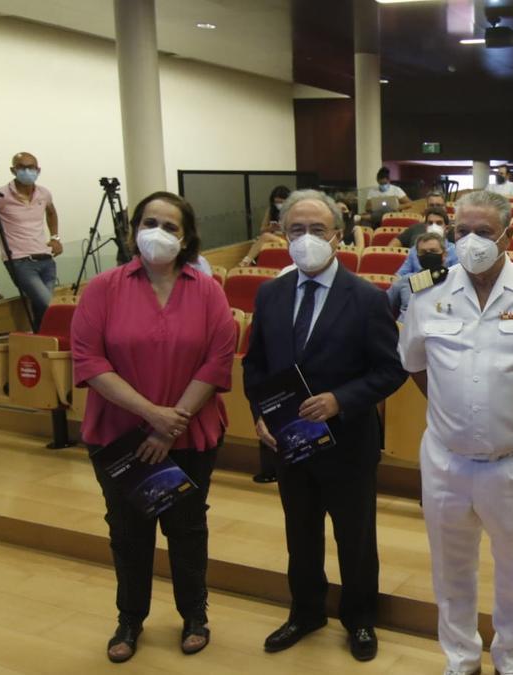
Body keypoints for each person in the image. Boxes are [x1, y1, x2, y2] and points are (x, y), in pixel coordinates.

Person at [399, 189, 513, 675]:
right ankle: (460, 659)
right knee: (450, 568)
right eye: (461, 232)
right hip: (445, 458)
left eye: (482, 232)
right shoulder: (427, 292)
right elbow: (415, 365)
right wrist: (454, 411)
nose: (470, 241)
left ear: (508, 236)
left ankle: (511, 661)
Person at [71, 191, 235, 663]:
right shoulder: (103, 288)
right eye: (149, 222)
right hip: (120, 436)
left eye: (170, 226)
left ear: (186, 239)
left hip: (190, 434)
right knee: (127, 531)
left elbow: (219, 358)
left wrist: (170, 425)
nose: (157, 233)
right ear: (133, 230)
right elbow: (88, 358)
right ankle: (129, 619)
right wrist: (152, 415)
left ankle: (195, 615)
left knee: (187, 529)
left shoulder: (207, 290)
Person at [243, 190, 406, 661]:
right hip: (289, 442)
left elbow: (389, 371)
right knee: (301, 532)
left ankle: (359, 618)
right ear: (283, 233)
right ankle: (306, 611)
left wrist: (341, 400)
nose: (306, 239)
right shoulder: (270, 293)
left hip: (348, 441)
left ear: (337, 235)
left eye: (317, 230)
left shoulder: (366, 298)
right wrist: (261, 413)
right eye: (297, 229)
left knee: (354, 537)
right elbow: (255, 365)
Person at [0, 151, 62, 332]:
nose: (27, 171)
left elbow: (51, 212)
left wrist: (55, 237)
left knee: (41, 309)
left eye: (31, 167)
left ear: (38, 169)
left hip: (46, 259)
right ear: (13, 170)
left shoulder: (44, 193)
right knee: (49, 306)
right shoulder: (0, 196)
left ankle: (42, 348)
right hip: (19, 261)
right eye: (22, 167)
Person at [388, 232, 447, 321]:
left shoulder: (455, 280)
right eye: (423, 252)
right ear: (418, 257)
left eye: (433, 251)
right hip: (406, 330)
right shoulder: (406, 281)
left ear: (444, 255)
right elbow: (382, 307)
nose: (428, 255)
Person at [395, 208, 458, 276]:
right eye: (430, 223)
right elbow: (400, 276)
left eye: (439, 223)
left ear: (447, 229)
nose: (434, 226)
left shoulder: (454, 250)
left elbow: (456, 276)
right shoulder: (414, 250)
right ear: (426, 227)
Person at [239, 186, 291, 267]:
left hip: (288, 240)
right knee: (259, 239)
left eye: (281, 202)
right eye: (277, 202)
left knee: (265, 237)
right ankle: (251, 262)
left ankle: (246, 262)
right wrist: (271, 228)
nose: (279, 205)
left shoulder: (294, 211)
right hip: (274, 237)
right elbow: (262, 230)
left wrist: (284, 228)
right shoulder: (271, 210)